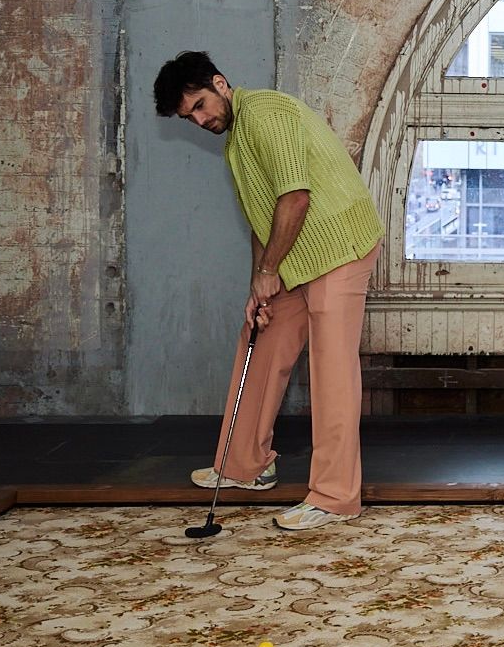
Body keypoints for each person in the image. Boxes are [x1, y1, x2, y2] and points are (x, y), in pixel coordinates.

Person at [152, 51, 384, 531]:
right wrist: (260, 281)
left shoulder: (265, 113)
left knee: (331, 368)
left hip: (339, 243)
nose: (199, 120)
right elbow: (266, 214)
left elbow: (295, 196)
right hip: (297, 254)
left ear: (220, 83)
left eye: (199, 106)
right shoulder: (236, 139)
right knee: (259, 338)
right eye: (188, 116)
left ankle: (335, 496)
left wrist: (269, 268)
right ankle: (244, 466)